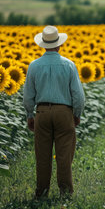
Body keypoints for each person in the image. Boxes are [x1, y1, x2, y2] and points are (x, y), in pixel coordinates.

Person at [23, 25, 85, 199]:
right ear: (59, 45)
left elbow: (28, 96)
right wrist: (77, 114)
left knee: (42, 155)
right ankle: (65, 193)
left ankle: (41, 192)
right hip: (64, 113)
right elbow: (78, 96)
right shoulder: (69, 65)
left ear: (43, 45)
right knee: (64, 155)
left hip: (41, 112)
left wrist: (30, 115)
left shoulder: (34, 66)